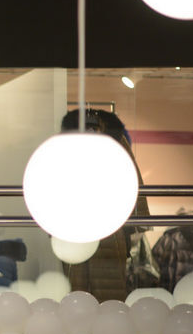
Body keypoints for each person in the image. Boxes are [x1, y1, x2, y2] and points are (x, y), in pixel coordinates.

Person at [59, 108, 151, 301]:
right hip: (80, 227)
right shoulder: (66, 145)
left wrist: (137, 219)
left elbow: (133, 181)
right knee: (79, 287)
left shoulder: (115, 142)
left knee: (105, 289)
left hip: (105, 226)